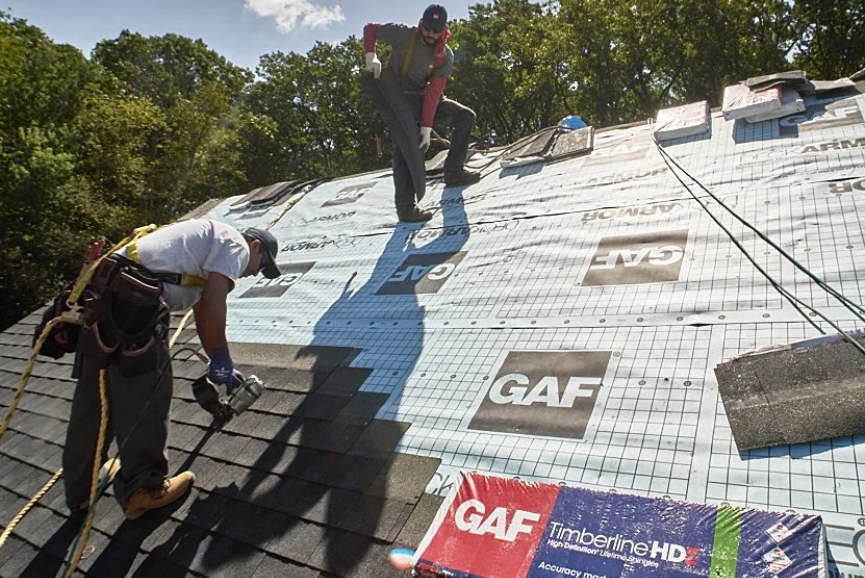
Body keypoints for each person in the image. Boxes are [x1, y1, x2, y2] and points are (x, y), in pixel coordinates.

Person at [62, 219, 280, 520]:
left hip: (104, 298)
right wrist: (221, 358)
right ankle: (144, 489)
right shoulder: (236, 244)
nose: (253, 272)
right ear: (255, 246)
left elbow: (203, 311)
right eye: (261, 264)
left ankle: (81, 489)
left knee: (95, 401)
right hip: (134, 307)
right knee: (148, 393)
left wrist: (220, 362)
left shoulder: (201, 246)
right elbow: (216, 305)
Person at [364, 3, 481, 223]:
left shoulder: (445, 56)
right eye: (427, 29)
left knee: (466, 116)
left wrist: (426, 126)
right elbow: (370, 28)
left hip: (424, 98)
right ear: (421, 24)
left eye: (435, 31)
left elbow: (434, 93)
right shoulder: (404, 34)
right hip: (398, 97)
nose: (430, 34)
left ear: (443, 30)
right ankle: (406, 208)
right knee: (405, 146)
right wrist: (371, 55)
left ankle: (454, 171)